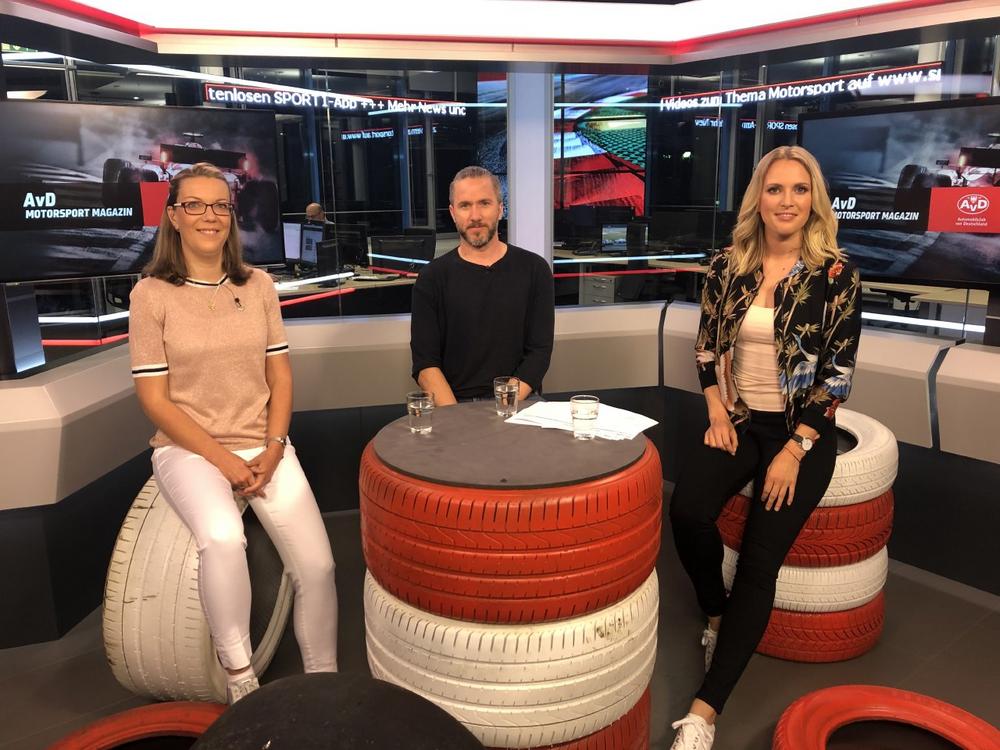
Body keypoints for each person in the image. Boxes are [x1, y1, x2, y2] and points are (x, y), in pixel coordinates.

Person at [667, 146, 862, 749]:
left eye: (799, 190)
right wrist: (716, 409)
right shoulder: (728, 265)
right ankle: (716, 612)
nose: (787, 201)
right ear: (759, 198)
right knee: (687, 512)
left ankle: (702, 716)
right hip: (741, 420)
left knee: (758, 562)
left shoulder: (836, 275)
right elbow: (706, 348)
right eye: (775, 189)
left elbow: (836, 377)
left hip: (801, 431)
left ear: (814, 200)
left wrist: (794, 450)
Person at [129, 162, 338, 704]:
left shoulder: (258, 284)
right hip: (189, 449)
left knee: (318, 566)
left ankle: (325, 682)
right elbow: (155, 401)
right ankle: (241, 677)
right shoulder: (150, 294)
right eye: (195, 205)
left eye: (220, 205)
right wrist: (224, 462)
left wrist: (274, 446)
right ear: (174, 216)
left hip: (264, 443)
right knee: (223, 538)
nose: (210, 216)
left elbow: (280, 376)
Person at [410, 166, 554, 404]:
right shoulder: (432, 278)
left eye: (484, 203)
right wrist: (459, 417)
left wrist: (501, 410)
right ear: (453, 213)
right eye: (465, 205)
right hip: (454, 405)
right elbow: (425, 364)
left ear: (500, 209)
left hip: (518, 401)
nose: (475, 215)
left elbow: (539, 353)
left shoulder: (535, 269)